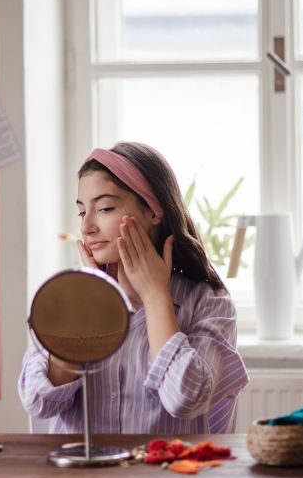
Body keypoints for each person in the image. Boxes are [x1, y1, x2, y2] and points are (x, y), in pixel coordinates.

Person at [18, 142, 249, 434]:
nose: (87, 226)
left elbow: (186, 400)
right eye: (81, 212)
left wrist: (155, 297)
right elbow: (38, 403)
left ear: (153, 211)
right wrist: (85, 308)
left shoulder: (208, 301)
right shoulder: (67, 296)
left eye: (104, 208)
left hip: (165, 476)